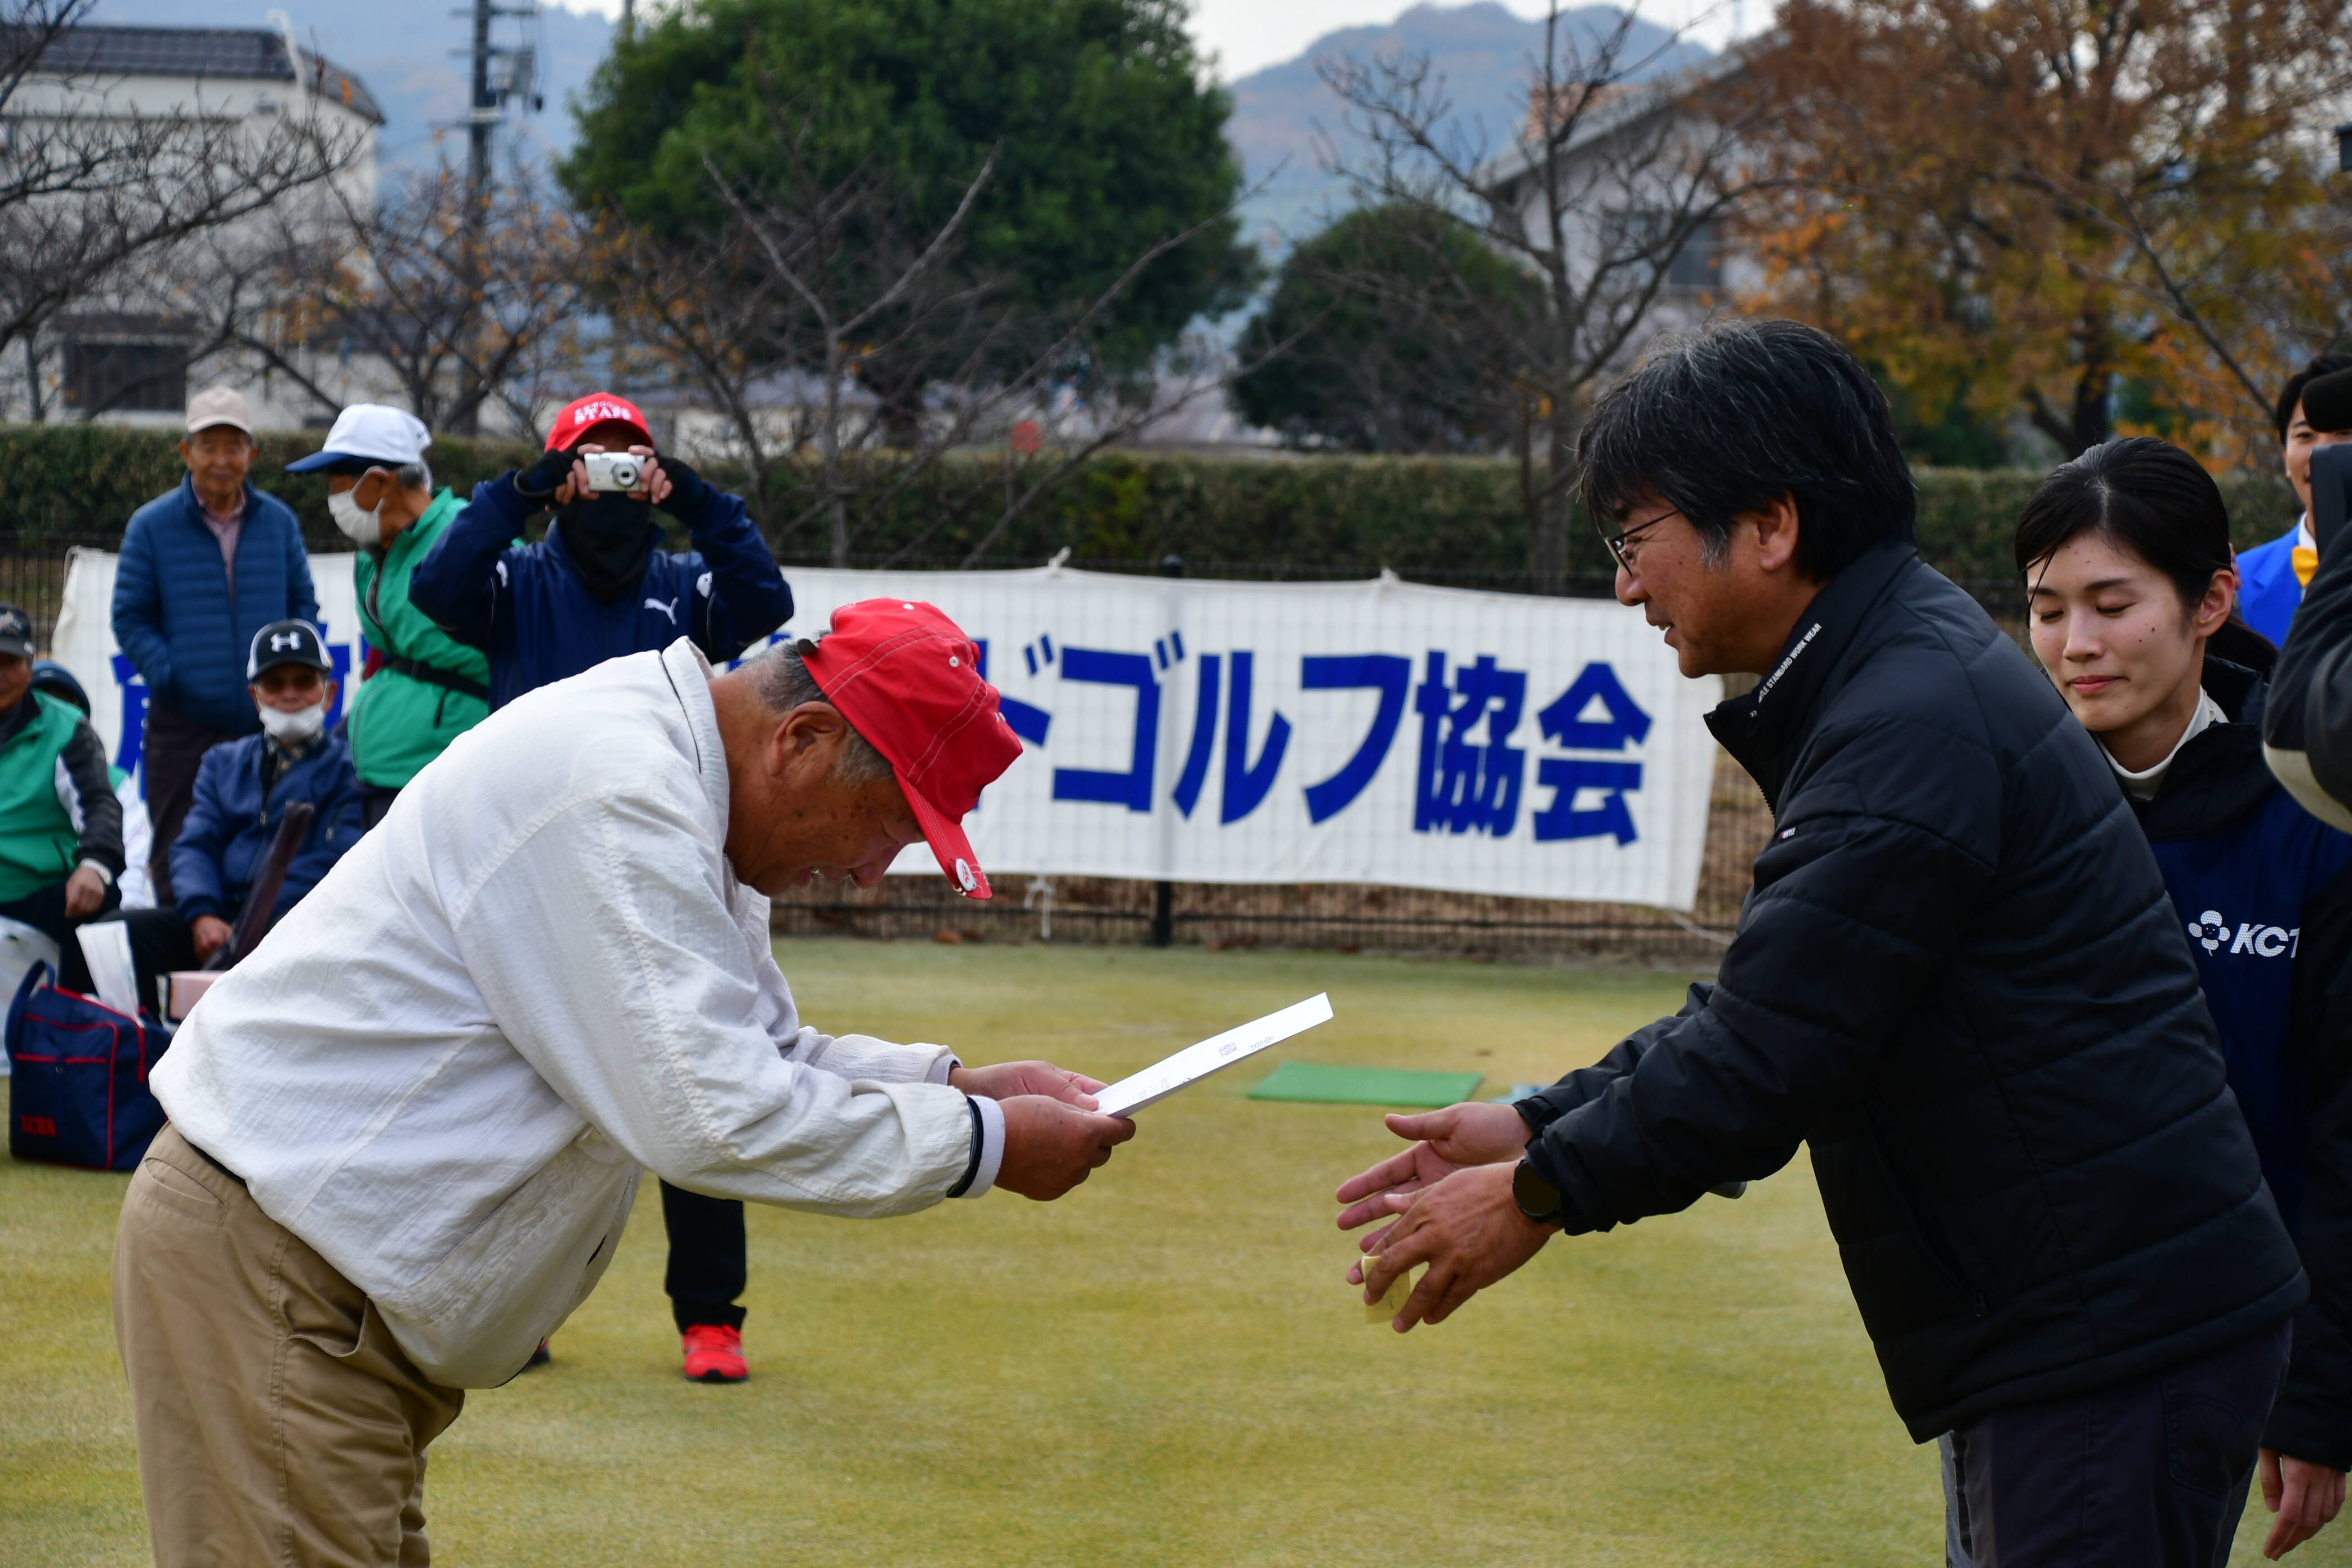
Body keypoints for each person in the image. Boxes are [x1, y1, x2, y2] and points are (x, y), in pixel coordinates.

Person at [1337, 320, 2304, 1568]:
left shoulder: (1910, 717)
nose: (1627, 586)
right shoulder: (1892, 678)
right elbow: (1779, 1000)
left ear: (1773, 526)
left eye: (1637, 541)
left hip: (2107, 1337)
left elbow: (1767, 1059)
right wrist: (1540, 1122)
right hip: (2087, 1323)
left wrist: (1540, 1191)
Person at [111, 600, 1134, 1567]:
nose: (868, 869)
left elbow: (758, 1051)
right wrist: (986, 1145)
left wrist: (963, 1083)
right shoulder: (622, 790)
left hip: (321, 1283)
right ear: (804, 739)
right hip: (281, 1277)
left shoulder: (681, 790)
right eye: (883, 823)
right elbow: (710, 1113)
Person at [409, 390, 794, 1383]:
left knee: (700, 1074)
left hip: (667, 862)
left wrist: (701, 503)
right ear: (561, 478)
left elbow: (766, 603)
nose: (613, 477)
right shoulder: (517, 582)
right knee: (523, 1098)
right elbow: (435, 588)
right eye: (591, 459)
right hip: (533, 869)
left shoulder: (684, 586)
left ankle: (711, 1317)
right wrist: (516, 494)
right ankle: (522, 1306)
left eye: (633, 458)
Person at [2015, 436, 2352, 1561]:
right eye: (2049, 609)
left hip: (2227, 1330)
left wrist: (2320, 1393)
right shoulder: (1999, 801)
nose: (2077, 645)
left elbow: (2345, 1122)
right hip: (2029, 1333)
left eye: (2114, 603)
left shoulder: (2313, 811)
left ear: (2212, 600)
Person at [111, 386, 318, 903]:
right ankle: (180, 972)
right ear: (187, 453)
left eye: (234, 446)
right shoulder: (150, 527)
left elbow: (304, 608)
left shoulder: (279, 523)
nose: (221, 460)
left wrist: (286, 682)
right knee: (179, 852)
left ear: (252, 454)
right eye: (209, 446)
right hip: (181, 725)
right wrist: (171, 674)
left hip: (266, 722)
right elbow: (130, 617)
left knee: (271, 855)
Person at [94, 621, 363, 1015]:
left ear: (329, 693)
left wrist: (261, 924)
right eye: (275, 684)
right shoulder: (223, 762)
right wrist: (202, 913)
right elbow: (193, 845)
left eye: (304, 681)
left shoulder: (351, 769)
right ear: (256, 697)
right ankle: (135, 1053)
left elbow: (334, 862)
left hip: (298, 927)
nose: (290, 695)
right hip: (216, 922)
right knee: (114, 934)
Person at [284, 404, 488, 827]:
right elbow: (384, 657)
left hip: (449, 780)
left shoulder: (468, 538)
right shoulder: (372, 551)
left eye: (337, 481)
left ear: (377, 481)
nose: (331, 497)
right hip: (379, 772)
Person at [0, 605, 127, 986]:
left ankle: (77, 1022)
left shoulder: (67, 729)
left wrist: (94, 865)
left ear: (30, 664)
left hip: (36, 893)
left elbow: (98, 803)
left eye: (9, 661)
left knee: (101, 897)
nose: (0, 675)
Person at [2238, 355, 2352, 645]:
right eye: (2305, 436)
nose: (2322, 453)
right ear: (2285, 458)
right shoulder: (2239, 585)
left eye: (2344, 433)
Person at [31, 660, 156, 911]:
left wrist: (118, 922)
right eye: (43, 704)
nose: (56, 715)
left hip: (81, 909)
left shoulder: (117, 784)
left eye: (66, 705)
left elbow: (131, 865)